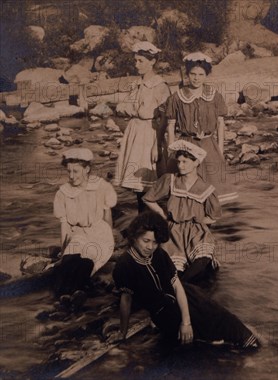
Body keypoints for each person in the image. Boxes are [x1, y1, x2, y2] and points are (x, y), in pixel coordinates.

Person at [112, 211, 258, 348]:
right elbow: (126, 299)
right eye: (146, 241)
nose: (150, 247)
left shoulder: (159, 254)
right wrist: (122, 333)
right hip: (165, 315)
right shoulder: (124, 265)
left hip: (189, 299)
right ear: (133, 237)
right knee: (205, 343)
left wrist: (186, 322)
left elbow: (176, 286)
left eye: (155, 242)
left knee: (234, 329)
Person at [143, 140, 221, 285]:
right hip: (174, 231)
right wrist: (162, 213)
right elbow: (148, 199)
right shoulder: (170, 180)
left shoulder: (206, 188)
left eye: (185, 162)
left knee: (203, 259)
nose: (180, 166)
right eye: (178, 162)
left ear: (196, 162)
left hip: (197, 231)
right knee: (174, 269)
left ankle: (182, 286)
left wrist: (201, 221)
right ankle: (178, 287)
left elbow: (214, 216)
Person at [165, 52, 238, 204]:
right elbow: (170, 126)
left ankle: (207, 224)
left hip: (208, 145)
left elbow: (220, 123)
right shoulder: (176, 97)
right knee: (186, 188)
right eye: (193, 74)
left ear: (206, 75)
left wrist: (220, 150)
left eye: (201, 74)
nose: (196, 78)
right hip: (186, 145)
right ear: (187, 74)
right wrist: (171, 151)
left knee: (211, 189)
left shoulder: (215, 96)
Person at [53, 148, 117, 306]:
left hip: (99, 232)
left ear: (87, 169)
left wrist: (111, 240)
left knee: (86, 262)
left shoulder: (101, 187)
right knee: (68, 261)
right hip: (78, 233)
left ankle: (76, 294)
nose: (71, 176)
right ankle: (66, 295)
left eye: (76, 171)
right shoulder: (63, 193)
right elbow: (65, 226)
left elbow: (107, 217)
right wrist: (63, 251)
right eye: (69, 171)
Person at [113, 41, 171, 212]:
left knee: (150, 183)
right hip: (135, 133)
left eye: (140, 61)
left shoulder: (160, 86)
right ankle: (143, 224)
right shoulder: (136, 85)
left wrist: (157, 145)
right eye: (136, 61)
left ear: (152, 61)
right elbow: (124, 108)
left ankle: (157, 223)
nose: (136, 65)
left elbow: (164, 119)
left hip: (150, 134)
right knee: (138, 186)